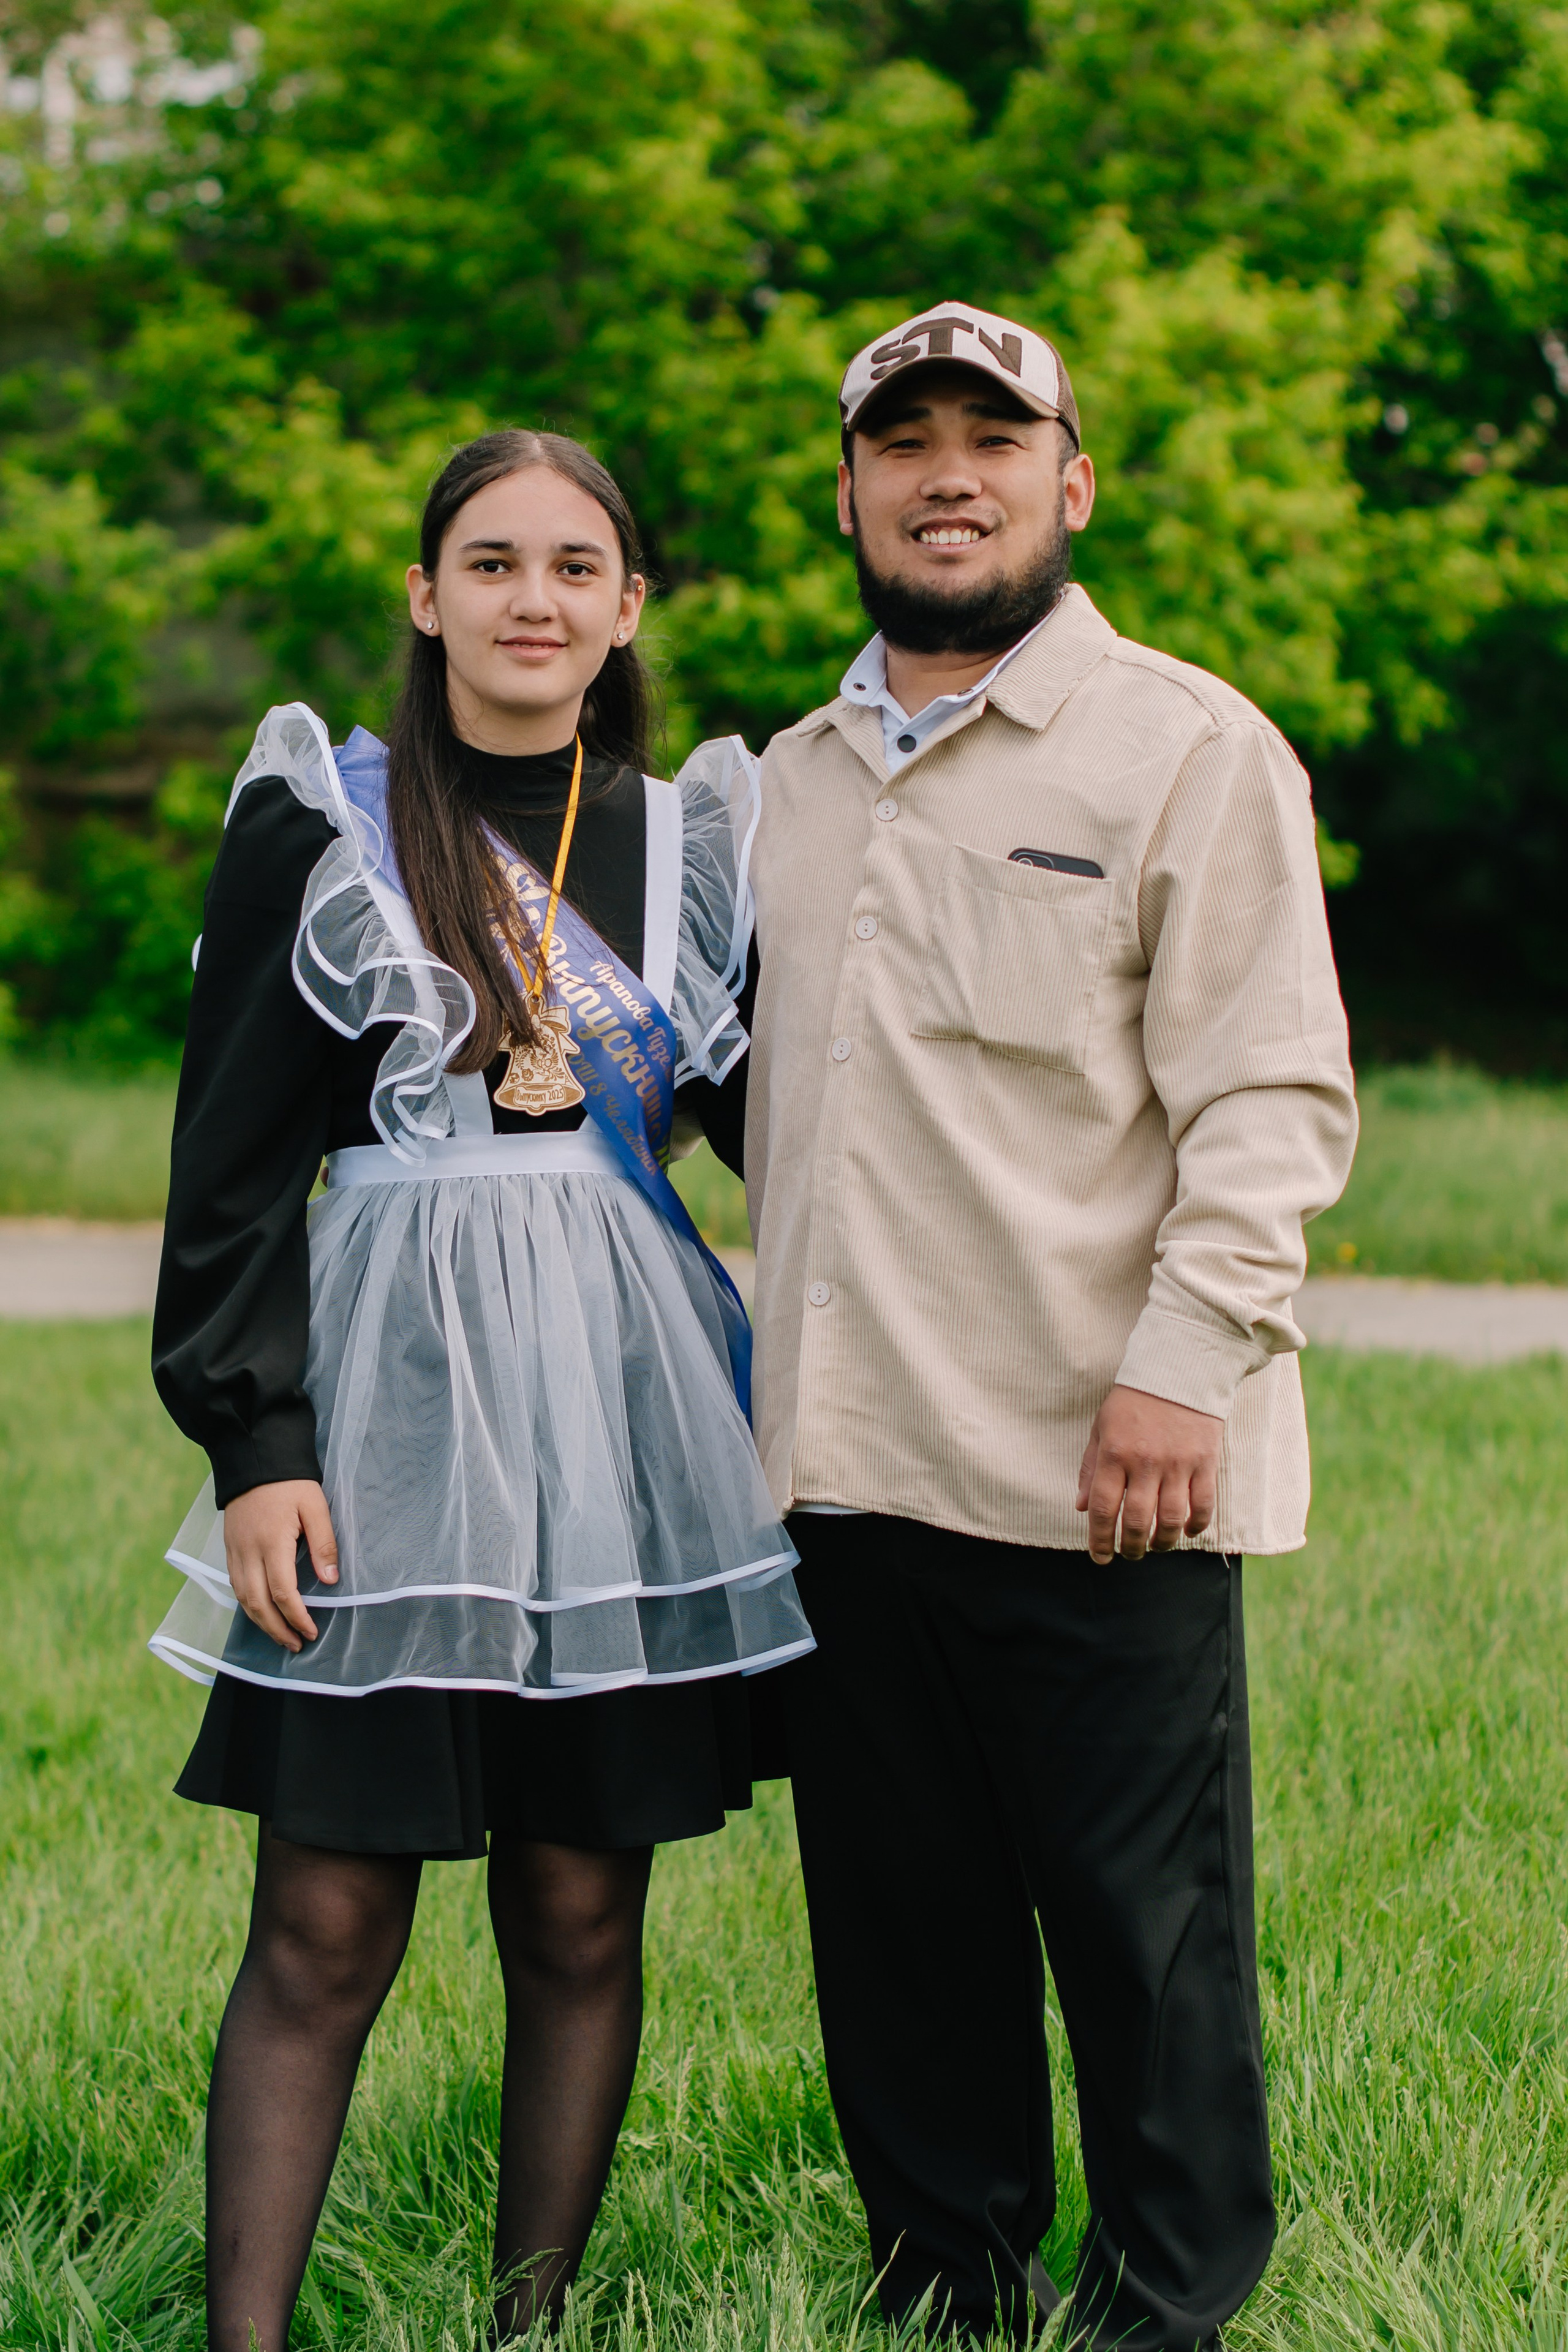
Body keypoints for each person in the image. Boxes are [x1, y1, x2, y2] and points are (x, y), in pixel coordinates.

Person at [148, 428, 812, 2352]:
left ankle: (529, 2329)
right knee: (326, 1918)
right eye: (495, 563)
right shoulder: (323, 819)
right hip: (394, 1420)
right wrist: (257, 1443)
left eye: (576, 567)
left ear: (628, 607)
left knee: (583, 1912)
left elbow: (780, 1132)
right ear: (426, 596)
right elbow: (231, 1169)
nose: (537, 599)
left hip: (623, 1431)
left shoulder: (697, 842)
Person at [738, 304, 1359, 2346]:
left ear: (1069, 485)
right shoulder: (786, 785)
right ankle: (947, 2289)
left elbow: (1271, 1099)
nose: (949, 475)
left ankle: (1164, 2309)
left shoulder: (1186, 748)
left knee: (1142, 1940)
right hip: (850, 1469)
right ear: (849, 494)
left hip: (1104, 1469)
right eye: (903, 441)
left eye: (993, 439)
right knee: (903, 1940)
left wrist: (1183, 1371)